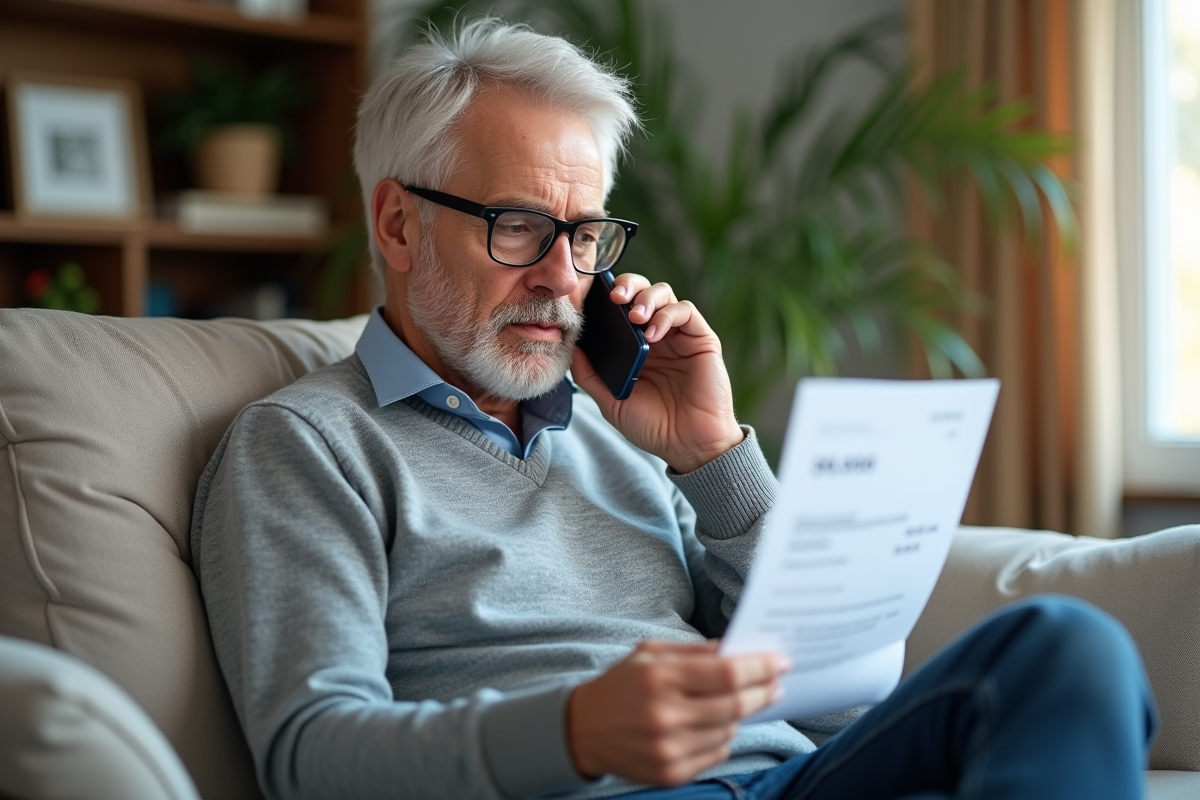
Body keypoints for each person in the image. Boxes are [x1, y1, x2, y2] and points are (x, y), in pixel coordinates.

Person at [191, 17, 1156, 800]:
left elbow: (835, 712)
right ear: (399, 224)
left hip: (786, 778)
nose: (562, 279)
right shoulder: (307, 446)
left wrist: (712, 454)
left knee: (1065, 647)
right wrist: (571, 732)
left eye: (584, 236)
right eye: (520, 227)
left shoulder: (620, 434)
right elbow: (312, 756)